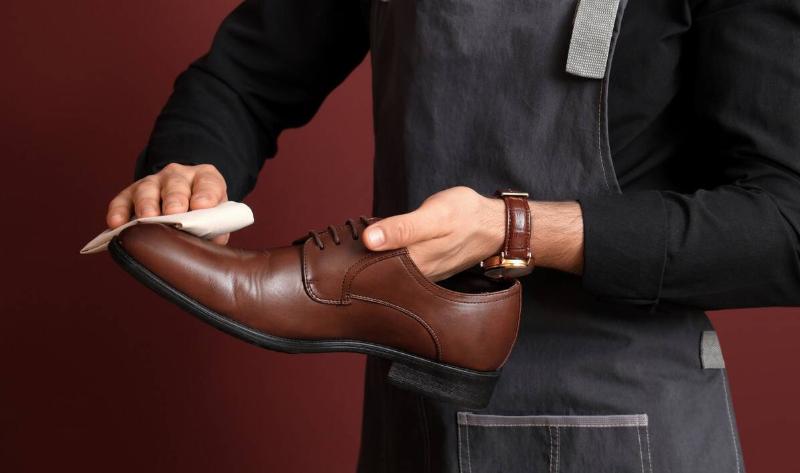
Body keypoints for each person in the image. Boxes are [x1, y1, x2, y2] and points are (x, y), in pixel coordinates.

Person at [105, 0, 800, 471]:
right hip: (413, 422)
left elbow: (786, 224)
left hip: (625, 428)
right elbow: (241, 79)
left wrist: (512, 227)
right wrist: (191, 167)